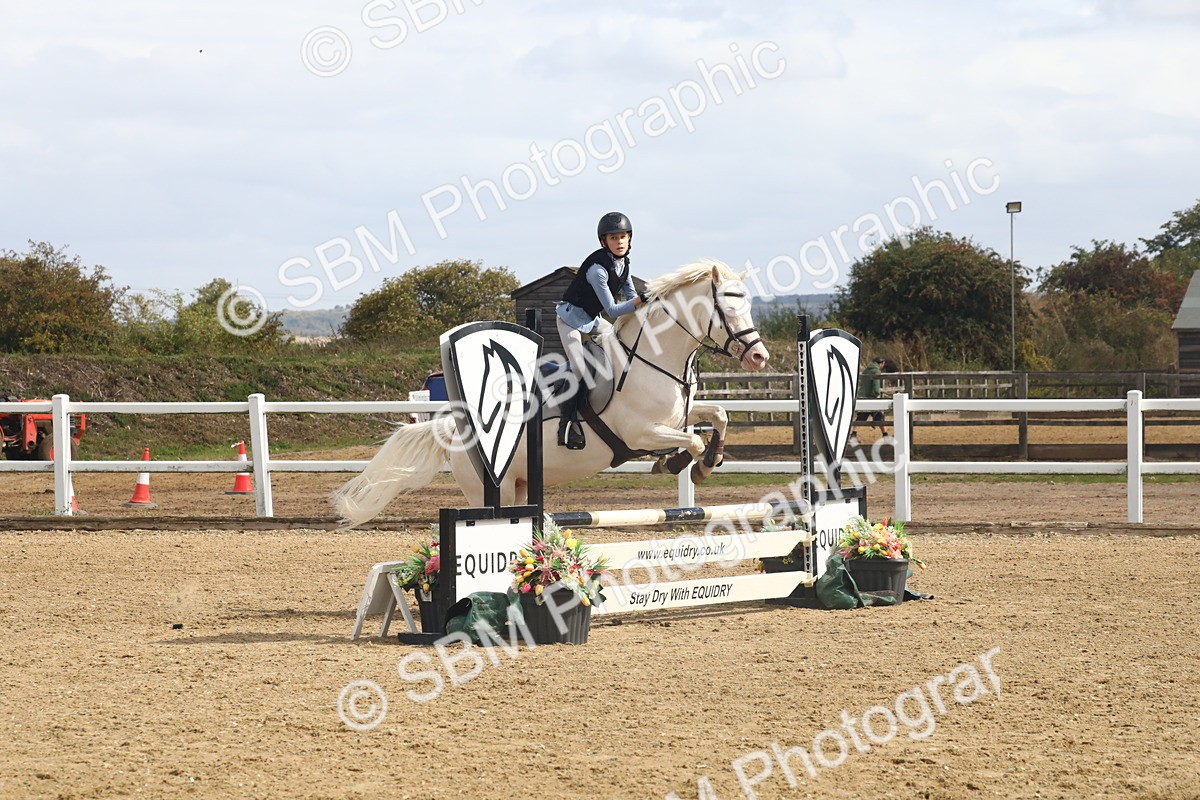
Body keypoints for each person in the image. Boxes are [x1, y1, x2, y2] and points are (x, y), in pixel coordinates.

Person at [554, 211, 648, 449]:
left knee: (620, 344)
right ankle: (565, 424)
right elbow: (613, 310)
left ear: (629, 238)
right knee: (578, 367)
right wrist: (641, 300)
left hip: (592, 319)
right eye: (613, 238)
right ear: (604, 242)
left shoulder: (623, 264)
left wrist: (648, 306)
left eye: (623, 237)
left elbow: (632, 296)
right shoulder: (598, 270)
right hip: (570, 319)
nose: (619, 242)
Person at [852, 356, 889, 440]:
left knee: (861, 416)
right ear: (881, 363)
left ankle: (853, 435)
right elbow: (876, 384)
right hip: (871, 396)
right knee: (879, 416)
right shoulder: (876, 371)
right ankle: (885, 436)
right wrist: (877, 393)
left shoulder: (866, 370)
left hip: (862, 395)